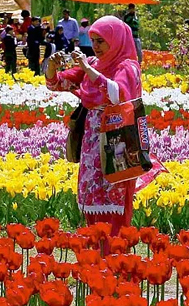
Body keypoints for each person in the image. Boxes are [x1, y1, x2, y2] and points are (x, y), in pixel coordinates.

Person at [45, 16, 143, 238]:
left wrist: (88, 69)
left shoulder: (128, 66)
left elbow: (118, 94)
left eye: (101, 41)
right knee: (92, 191)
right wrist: (51, 66)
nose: (95, 47)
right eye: (93, 40)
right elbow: (57, 83)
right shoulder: (95, 64)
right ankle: (96, 251)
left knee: (115, 190)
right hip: (92, 141)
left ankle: (115, 249)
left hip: (118, 138)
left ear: (116, 40)